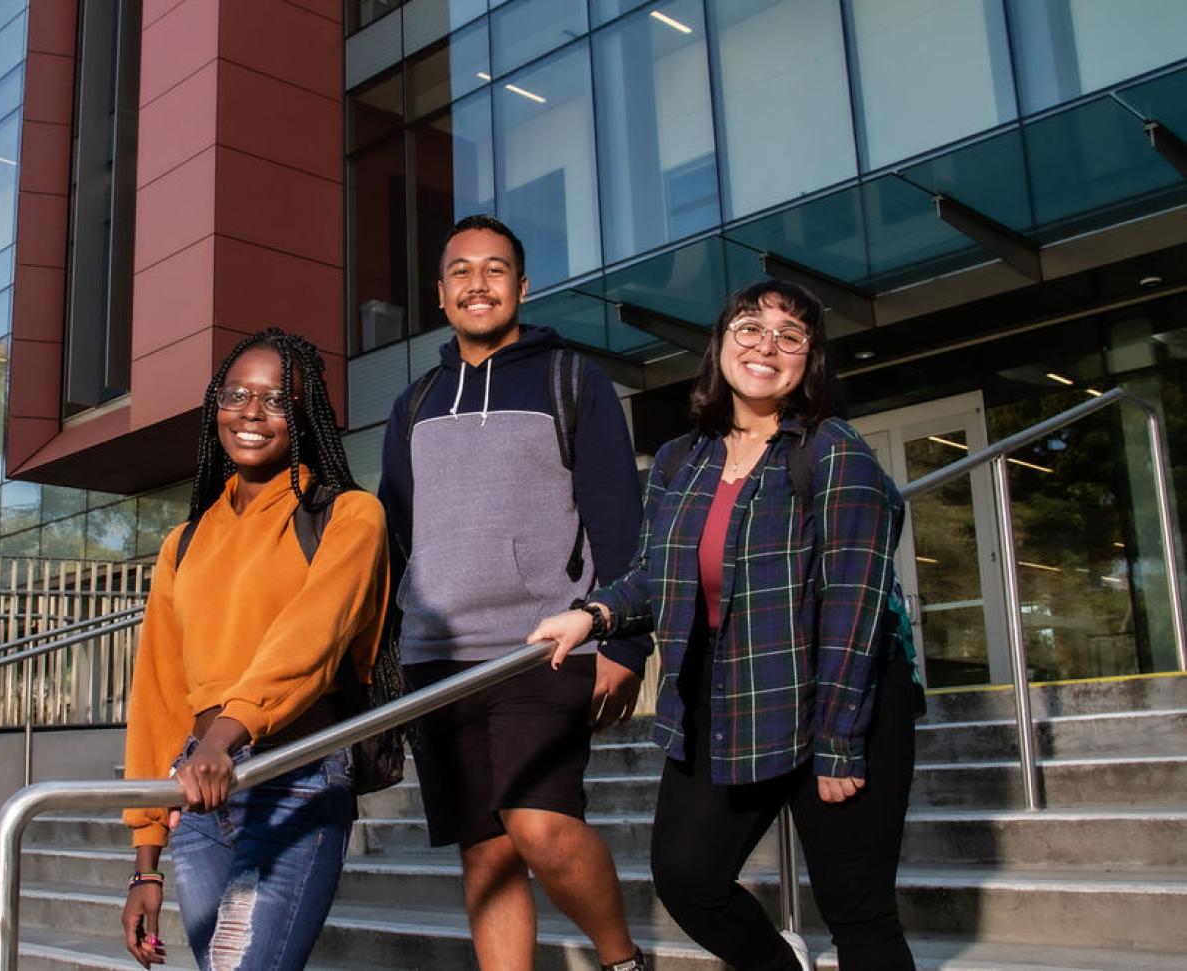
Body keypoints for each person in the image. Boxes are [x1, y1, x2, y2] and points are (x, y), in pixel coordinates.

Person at [530, 279, 920, 971]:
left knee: (858, 909)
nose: (766, 344)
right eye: (749, 326)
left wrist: (838, 743)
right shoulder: (684, 458)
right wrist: (591, 614)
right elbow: (654, 573)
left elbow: (857, 607)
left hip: (842, 695)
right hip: (731, 694)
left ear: (809, 359)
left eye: (789, 334)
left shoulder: (834, 451)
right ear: (721, 344)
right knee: (688, 877)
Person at [379, 214, 649, 971]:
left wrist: (625, 641)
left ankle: (622, 961)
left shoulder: (572, 380)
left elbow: (619, 520)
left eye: (495, 269)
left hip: (543, 648)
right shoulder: (417, 402)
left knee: (541, 826)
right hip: (437, 659)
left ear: (522, 288)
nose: (478, 282)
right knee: (486, 853)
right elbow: (396, 536)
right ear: (440, 294)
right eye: (461, 270)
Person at [120, 328, 390, 970]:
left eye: (275, 399)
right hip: (199, 791)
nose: (250, 412)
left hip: (294, 774)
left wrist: (224, 739)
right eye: (236, 394)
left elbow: (311, 641)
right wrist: (144, 862)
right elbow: (157, 696)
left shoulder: (349, 516)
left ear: (303, 415)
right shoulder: (182, 544)